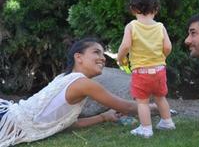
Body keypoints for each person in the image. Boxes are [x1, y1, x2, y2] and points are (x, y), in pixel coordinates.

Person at [0, 37, 151, 147]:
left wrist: (103, 117)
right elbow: (127, 107)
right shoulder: (82, 83)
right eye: (96, 53)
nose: (102, 58)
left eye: (103, 54)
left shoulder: (65, 79)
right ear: (78, 57)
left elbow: (65, 124)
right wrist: (160, 109)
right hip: (5, 120)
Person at [117, 0, 175, 138]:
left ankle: (146, 128)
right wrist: (161, 57)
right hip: (159, 71)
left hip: (141, 73)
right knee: (160, 98)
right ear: (156, 9)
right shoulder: (160, 27)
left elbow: (126, 46)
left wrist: (120, 58)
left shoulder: (132, 26)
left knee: (142, 102)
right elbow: (168, 47)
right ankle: (167, 122)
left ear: (133, 8)